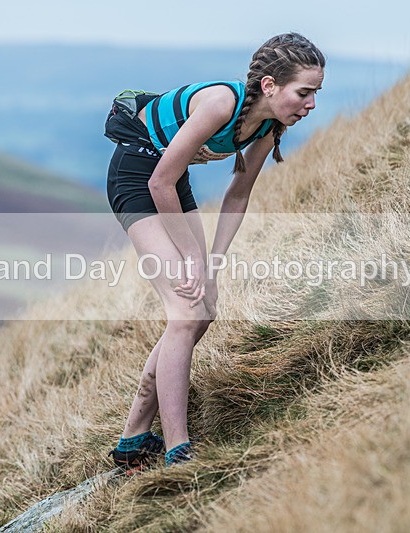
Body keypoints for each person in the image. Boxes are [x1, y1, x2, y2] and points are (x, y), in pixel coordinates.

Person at [104, 32, 326, 473]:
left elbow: (238, 194)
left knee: (202, 310)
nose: (312, 104)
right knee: (186, 313)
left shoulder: (269, 125)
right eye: (304, 92)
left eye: (316, 93)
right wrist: (193, 257)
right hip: (138, 178)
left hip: (170, 181)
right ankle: (178, 449)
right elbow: (158, 182)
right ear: (269, 86)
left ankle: (133, 439)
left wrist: (214, 263)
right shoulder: (221, 104)